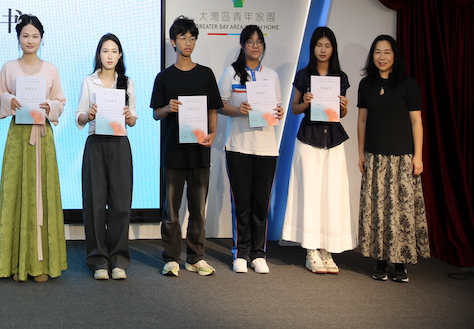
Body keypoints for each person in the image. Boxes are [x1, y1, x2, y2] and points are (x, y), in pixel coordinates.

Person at [0, 14, 67, 282]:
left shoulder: (51, 69)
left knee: (42, 194)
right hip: (18, 136)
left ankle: (41, 265)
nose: (30, 40)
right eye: (25, 35)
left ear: (41, 39)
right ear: (18, 38)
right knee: (16, 192)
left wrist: (51, 106)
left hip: (42, 136)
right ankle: (15, 263)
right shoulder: (9, 67)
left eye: (35, 36)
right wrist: (8, 99)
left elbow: (60, 101)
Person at [151, 16, 221, 277]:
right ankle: (171, 258)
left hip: (200, 152)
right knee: (171, 211)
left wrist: (213, 133)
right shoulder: (164, 77)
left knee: (198, 211)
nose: (188, 43)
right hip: (173, 153)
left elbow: (212, 108)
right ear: (173, 42)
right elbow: (155, 114)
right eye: (182, 38)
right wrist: (167, 108)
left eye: (192, 38)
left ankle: (195, 258)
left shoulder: (205, 74)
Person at [281, 26, 354, 274]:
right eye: (319, 45)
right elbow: (293, 109)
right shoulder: (304, 75)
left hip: (333, 139)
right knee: (310, 192)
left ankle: (327, 248)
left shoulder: (340, 77)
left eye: (327, 46)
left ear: (333, 49)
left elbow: (341, 113)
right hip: (309, 138)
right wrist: (305, 103)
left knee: (332, 192)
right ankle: (311, 250)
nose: (323, 50)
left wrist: (344, 106)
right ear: (313, 48)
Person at [357, 35, 429, 283]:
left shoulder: (408, 84)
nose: (382, 57)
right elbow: (362, 121)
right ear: (372, 56)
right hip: (375, 157)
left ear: (394, 55)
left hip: (402, 158)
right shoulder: (366, 84)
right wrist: (360, 154)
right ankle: (380, 261)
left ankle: (400, 263)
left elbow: (417, 121)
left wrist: (418, 156)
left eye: (387, 52)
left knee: (400, 212)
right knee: (378, 211)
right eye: (377, 52)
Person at [218, 25, 283, 274]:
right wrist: (238, 110)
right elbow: (220, 105)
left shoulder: (272, 76)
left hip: (266, 148)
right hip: (239, 146)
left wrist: (278, 112)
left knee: (260, 204)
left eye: (259, 42)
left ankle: (259, 254)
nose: (255, 46)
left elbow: (276, 107)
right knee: (241, 203)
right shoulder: (231, 73)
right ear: (242, 45)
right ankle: (240, 253)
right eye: (250, 42)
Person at [76, 33, 137, 281]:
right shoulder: (89, 82)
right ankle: (98, 260)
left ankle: (119, 260)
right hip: (96, 143)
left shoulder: (127, 83)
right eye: (105, 51)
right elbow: (79, 116)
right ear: (98, 54)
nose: (109, 56)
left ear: (119, 55)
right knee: (95, 204)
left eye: (113, 51)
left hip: (120, 144)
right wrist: (88, 115)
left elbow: (133, 119)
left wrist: (128, 116)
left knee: (121, 205)